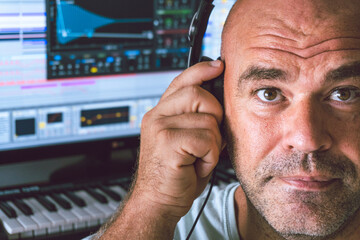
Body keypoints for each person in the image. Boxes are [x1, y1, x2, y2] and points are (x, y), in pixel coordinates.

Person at [91, 0, 360, 239]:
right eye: (269, 93)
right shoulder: (158, 225)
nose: (307, 140)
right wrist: (149, 206)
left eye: (345, 94)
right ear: (216, 102)